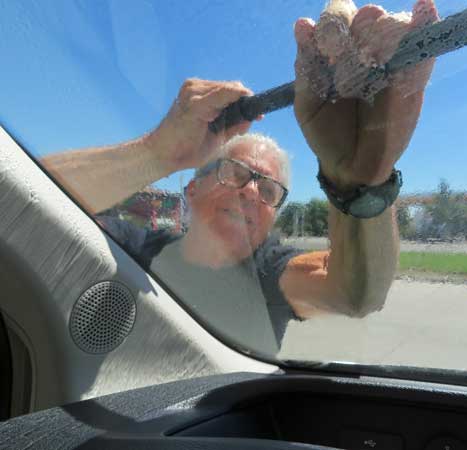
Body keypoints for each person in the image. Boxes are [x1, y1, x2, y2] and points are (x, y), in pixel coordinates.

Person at [42, 0, 438, 353]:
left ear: (273, 218)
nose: (252, 193)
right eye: (236, 173)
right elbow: (23, 200)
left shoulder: (270, 272)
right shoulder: (133, 248)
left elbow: (357, 295)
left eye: (269, 189)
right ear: (192, 189)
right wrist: (156, 153)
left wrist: (358, 182)